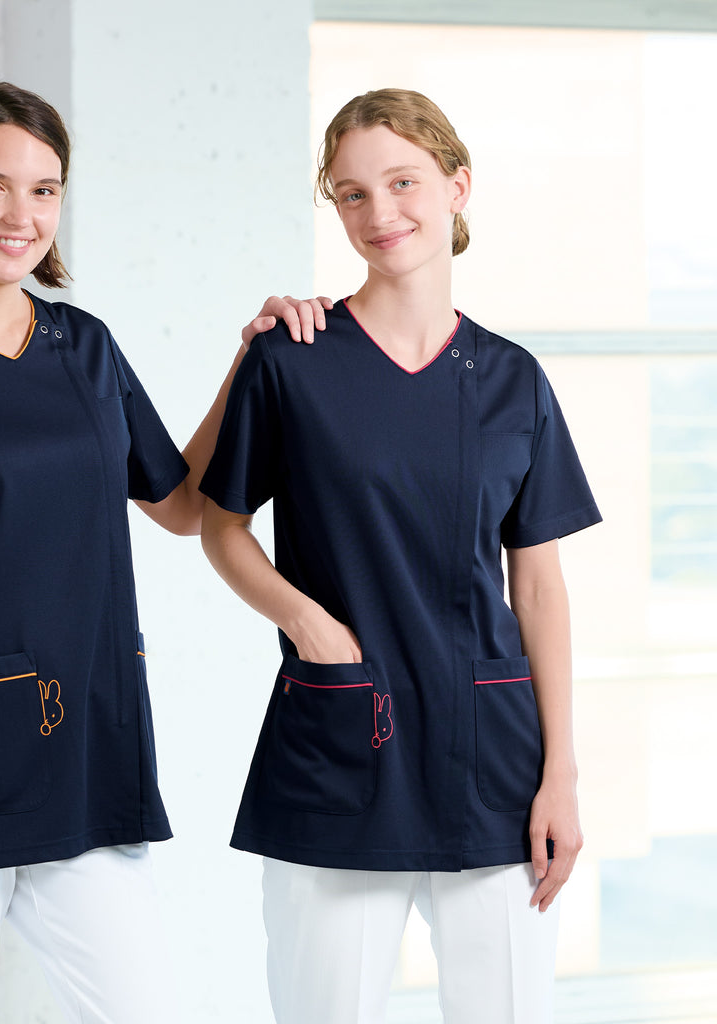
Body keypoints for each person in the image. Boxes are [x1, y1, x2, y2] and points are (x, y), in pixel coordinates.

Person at [0, 80, 322, 1024]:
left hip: (86, 755)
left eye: (44, 190)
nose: (22, 215)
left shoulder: (85, 348)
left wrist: (249, 359)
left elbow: (180, 505)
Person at [199, 88, 602, 1024]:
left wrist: (562, 774)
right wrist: (306, 623)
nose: (379, 212)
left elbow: (539, 588)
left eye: (403, 182)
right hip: (339, 742)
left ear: (458, 187)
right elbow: (219, 526)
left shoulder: (513, 380)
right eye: (351, 193)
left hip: (495, 765)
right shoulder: (292, 358)